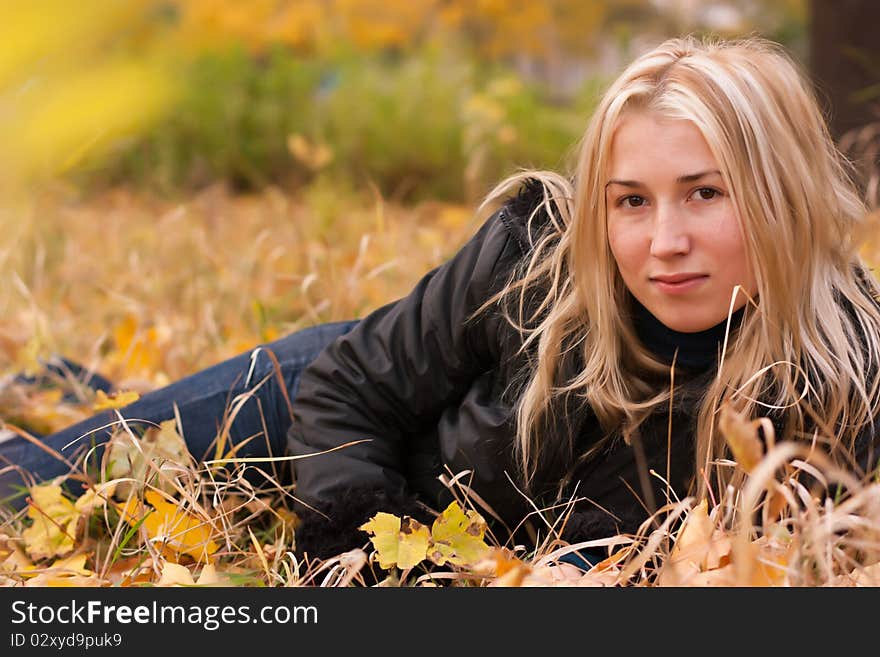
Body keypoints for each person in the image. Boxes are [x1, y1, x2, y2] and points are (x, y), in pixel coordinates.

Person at [2, 36, 880, 571]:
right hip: (327, 411)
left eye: (705, 193)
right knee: (30, 488)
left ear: (781, 193)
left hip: (440, 522)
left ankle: (65, 382)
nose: (663, 242)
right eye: (632, 200)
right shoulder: (534, 256)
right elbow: (350, 392)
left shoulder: (850, 367)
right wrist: (368, 569)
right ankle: (65, 398)